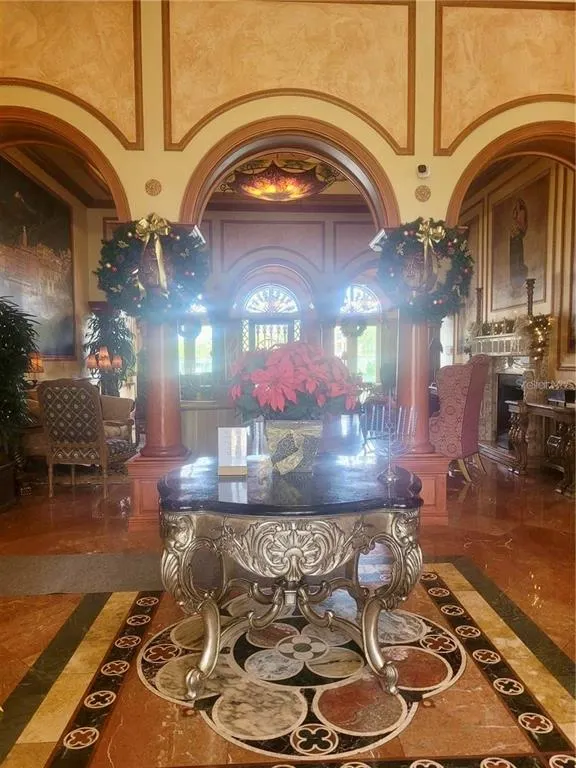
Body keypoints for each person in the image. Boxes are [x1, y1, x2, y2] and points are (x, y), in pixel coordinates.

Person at [509, 198, 528, 296]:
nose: (516, 206)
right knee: (513, 261)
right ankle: (515, 284)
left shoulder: (522, 212)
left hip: (517, 240)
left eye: (518, 204)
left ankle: (518, 284)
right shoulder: (516, 214)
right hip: (514, 240)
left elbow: (521, 225)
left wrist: (516, 228)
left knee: (518, 260)